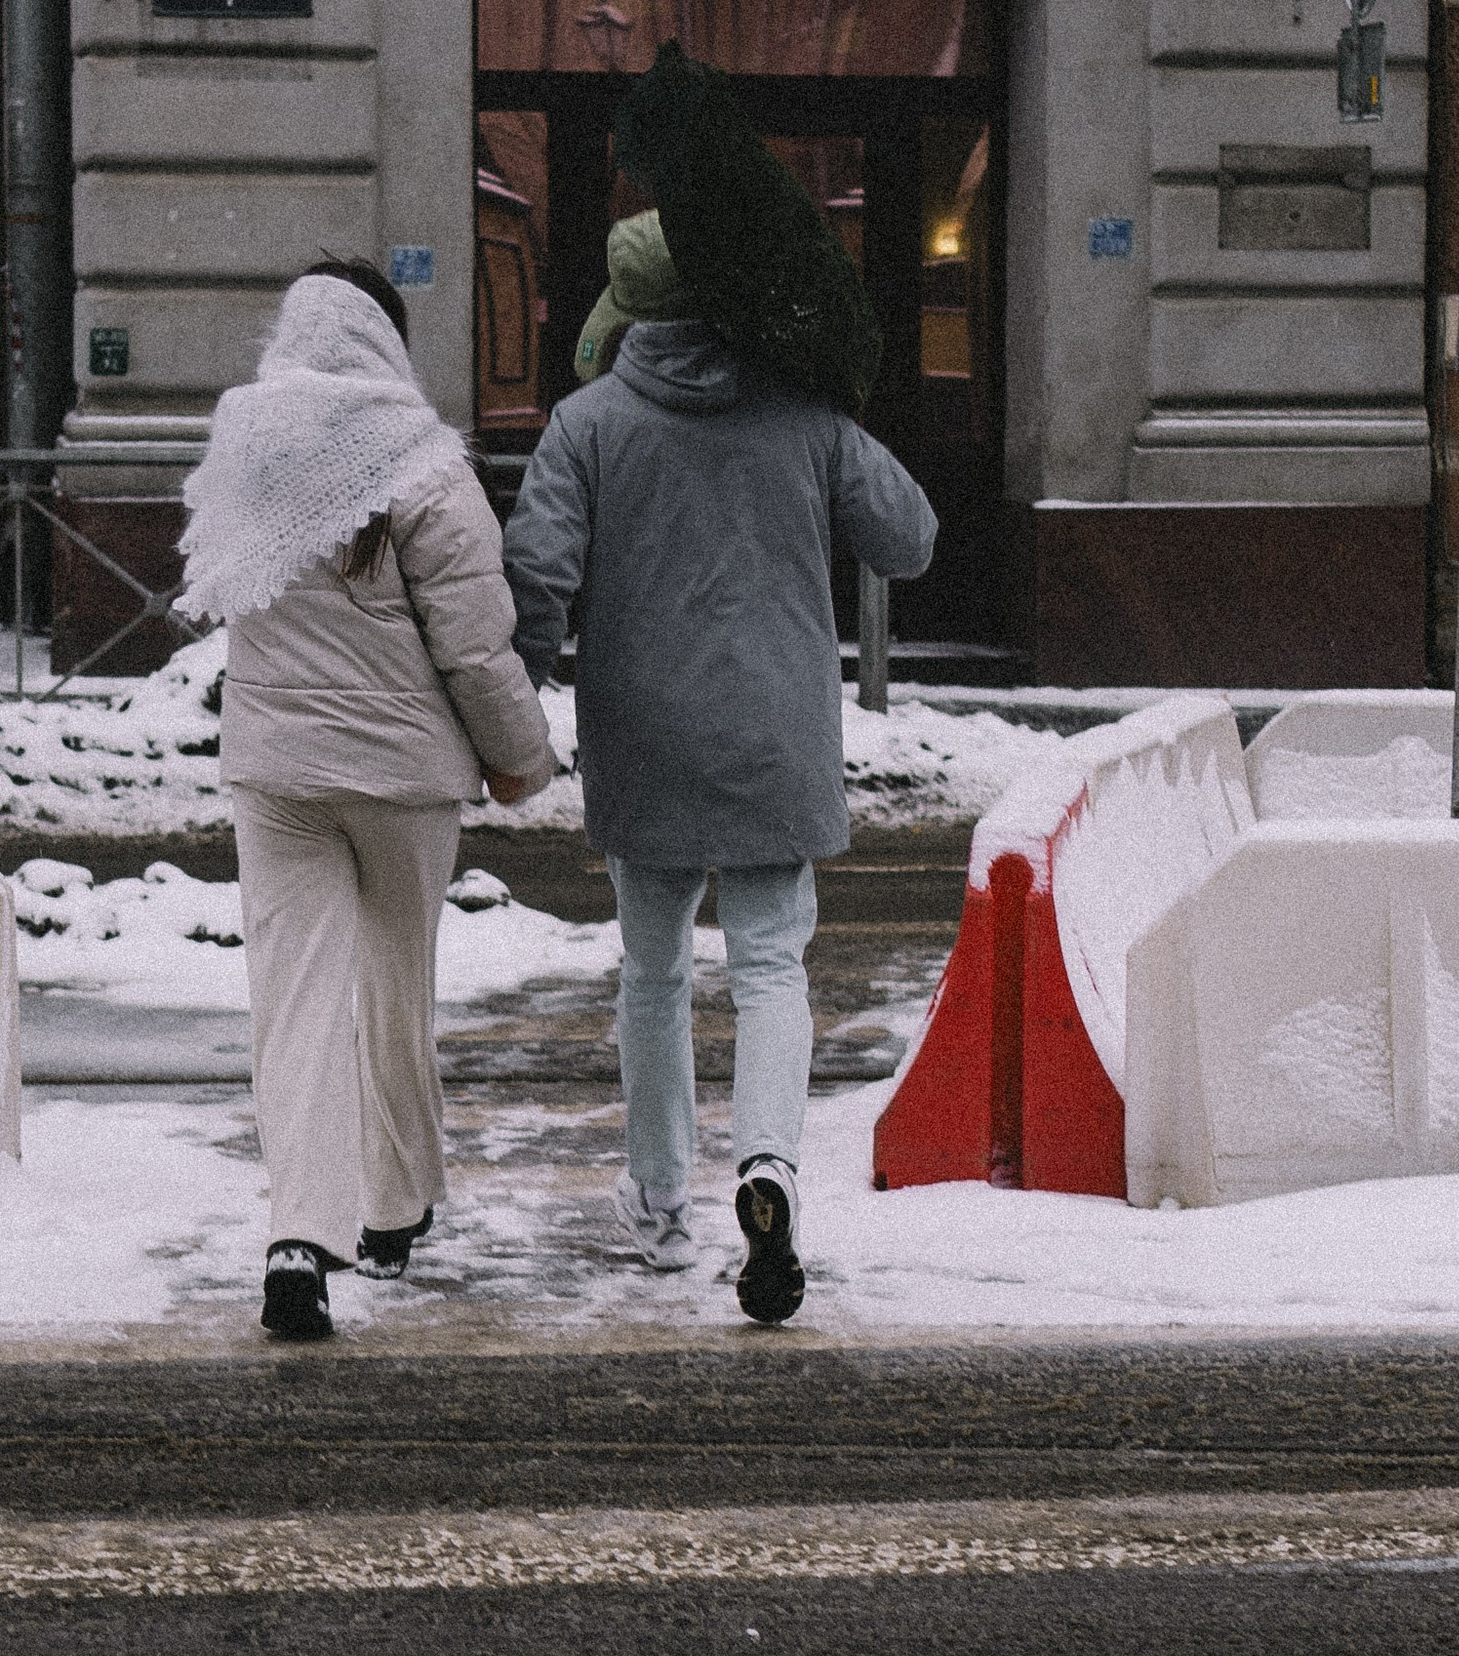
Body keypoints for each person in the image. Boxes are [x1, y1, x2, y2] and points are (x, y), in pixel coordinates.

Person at [503, 221, 936, 1326]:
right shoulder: (805, 415)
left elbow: (535, 576)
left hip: (642, 733)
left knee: (651, 975)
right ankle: (769, 1168)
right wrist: (834, 411)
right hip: (774, 738)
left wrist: (513, 698)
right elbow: (910, 540)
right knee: (770, 968)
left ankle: (657, 1202)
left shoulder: (587, 425)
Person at [180, 257, 553, 1344]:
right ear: (387, 343)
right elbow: (476, 644)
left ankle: (300, 1238)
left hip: (279, 774)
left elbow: (219, 592)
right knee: (397, 983)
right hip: (403, 778)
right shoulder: (426, 465)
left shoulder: (243, 449)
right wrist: (520, 757)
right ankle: (393, 1209)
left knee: (293, 1005)